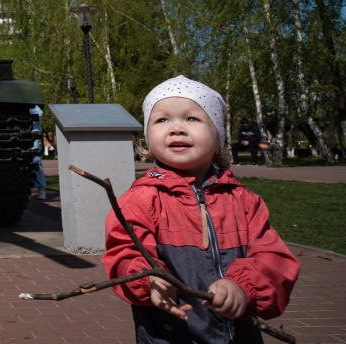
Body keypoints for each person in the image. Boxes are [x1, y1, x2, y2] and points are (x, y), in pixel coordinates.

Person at [102, 75, 299, 343]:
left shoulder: (243, 200)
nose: (176, 129)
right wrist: (149, 280)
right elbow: (124, 252)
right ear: (148, 140)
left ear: (218, 137)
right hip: (169, 335)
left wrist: (244, 286)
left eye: (192, 119)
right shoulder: (141, 199)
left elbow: (273, 258)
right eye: (162, 120)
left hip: (240, 335)